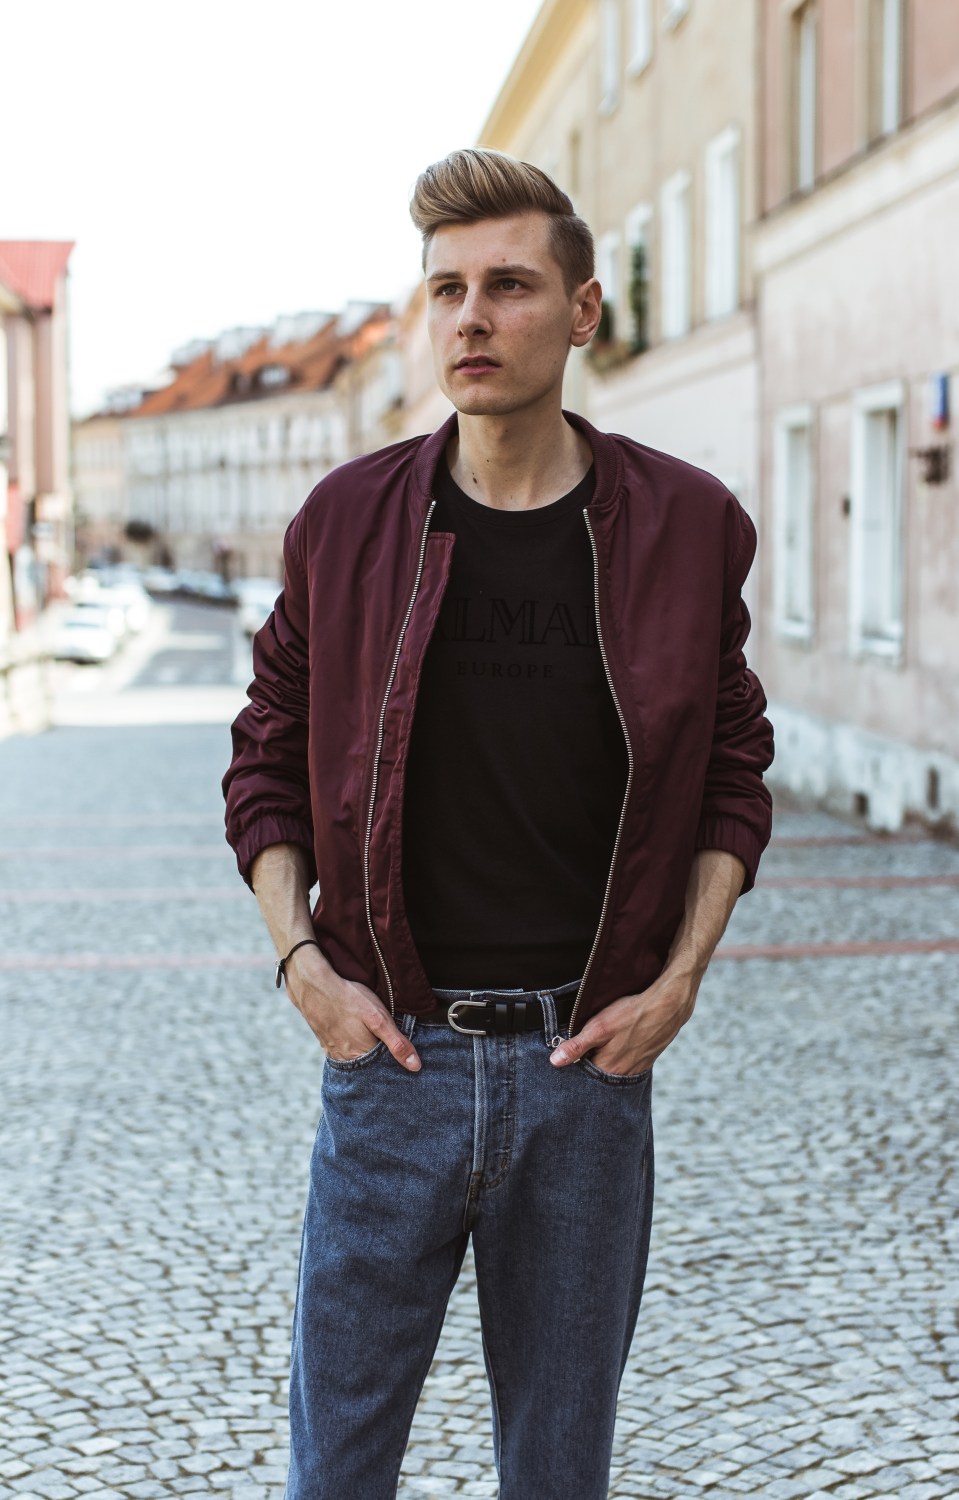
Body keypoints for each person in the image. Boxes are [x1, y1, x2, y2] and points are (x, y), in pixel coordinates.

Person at [222, 147, 774, 1500]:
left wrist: (679, 982)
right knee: (336, 1469)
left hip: (587, 1069)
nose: (471, 317)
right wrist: (303, 966)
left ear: (582, 312)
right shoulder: (347, 522)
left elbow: (734, 769)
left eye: (510, 286)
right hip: (392, 1060)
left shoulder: (688, 525)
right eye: (447, 289)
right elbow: (266, 755)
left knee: (558, 1470)